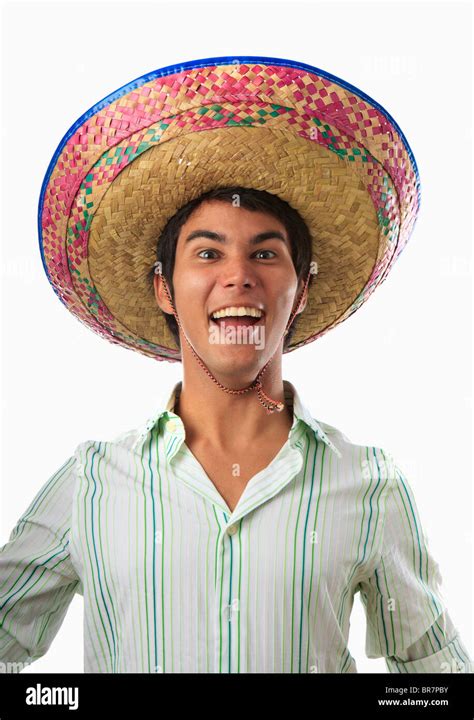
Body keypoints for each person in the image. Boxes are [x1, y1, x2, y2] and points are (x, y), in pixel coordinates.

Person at [0, 56, 471, 674]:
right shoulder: (89, 482)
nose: (238, 276)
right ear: (165, 289)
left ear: (299, 291)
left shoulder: (371, 485)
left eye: (265, 253)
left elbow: (434, 679)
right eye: (208, 251)